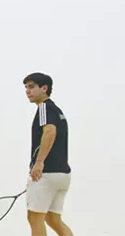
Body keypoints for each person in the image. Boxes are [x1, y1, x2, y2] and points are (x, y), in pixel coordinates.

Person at [23, 72, 75, 236]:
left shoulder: (45, 107)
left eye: (31, 87)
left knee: (35, 218)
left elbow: (50, 132)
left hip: (46, 174)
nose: (27, 91)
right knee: (53, 219)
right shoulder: (57, 111)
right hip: (62, 175)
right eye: (26, 88)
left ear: (44, 88)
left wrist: (39, 163)